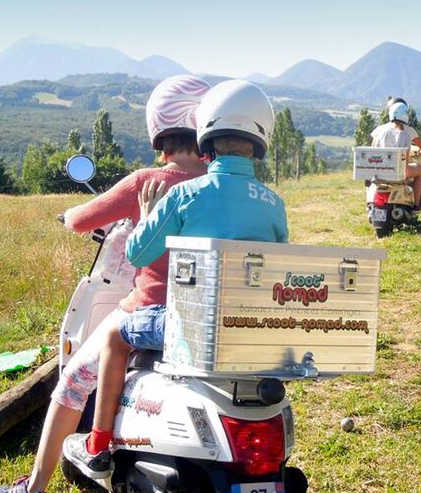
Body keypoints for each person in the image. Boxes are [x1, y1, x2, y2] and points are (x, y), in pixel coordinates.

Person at [61, 79, 288, 478]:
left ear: (207, 138)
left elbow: (138, 254)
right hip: (244, 324)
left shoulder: (186, 194)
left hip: (188, 323)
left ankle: (97, 444)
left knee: (115, 337)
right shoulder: (274, 203)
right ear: (259, 142)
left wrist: (148, 216)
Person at [0, 75, 212, 493]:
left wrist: (69, 214)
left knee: (73, 383)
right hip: (203, 314)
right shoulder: (217, 185)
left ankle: (35, 486)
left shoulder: (147, 182)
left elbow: (81, 220)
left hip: (147, 310)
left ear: (158, 128)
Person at [371, 100, 421, 208]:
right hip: (396, 171)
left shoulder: (380, 132)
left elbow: (373, 150)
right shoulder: (405, 135)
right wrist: (404, 177)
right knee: (419, 170)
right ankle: (416, 205)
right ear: (405, 116)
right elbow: (405, 159)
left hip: (380, 171)